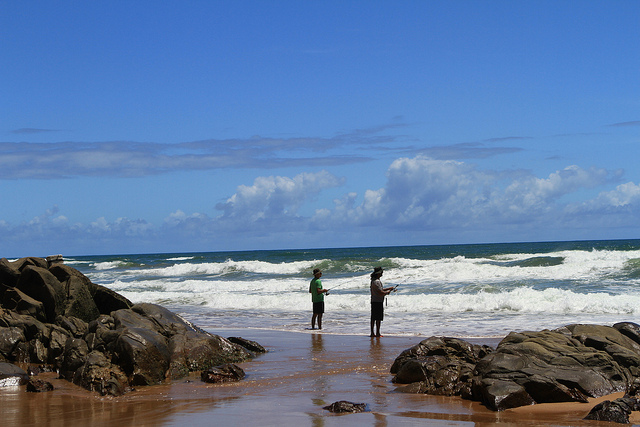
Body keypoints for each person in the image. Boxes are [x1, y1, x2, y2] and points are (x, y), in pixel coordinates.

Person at [370, 266, 395, 337]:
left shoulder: (374, 281)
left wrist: (389, 288)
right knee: (378, 318)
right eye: (381, 272)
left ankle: (372, 333)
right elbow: (380, 292)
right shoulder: (377, 282)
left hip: (374, 300)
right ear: (378, 273)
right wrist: (387, 292)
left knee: (373, 318)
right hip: (378, 301)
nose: (382, 274)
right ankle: (377, 333)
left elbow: (380, 289)